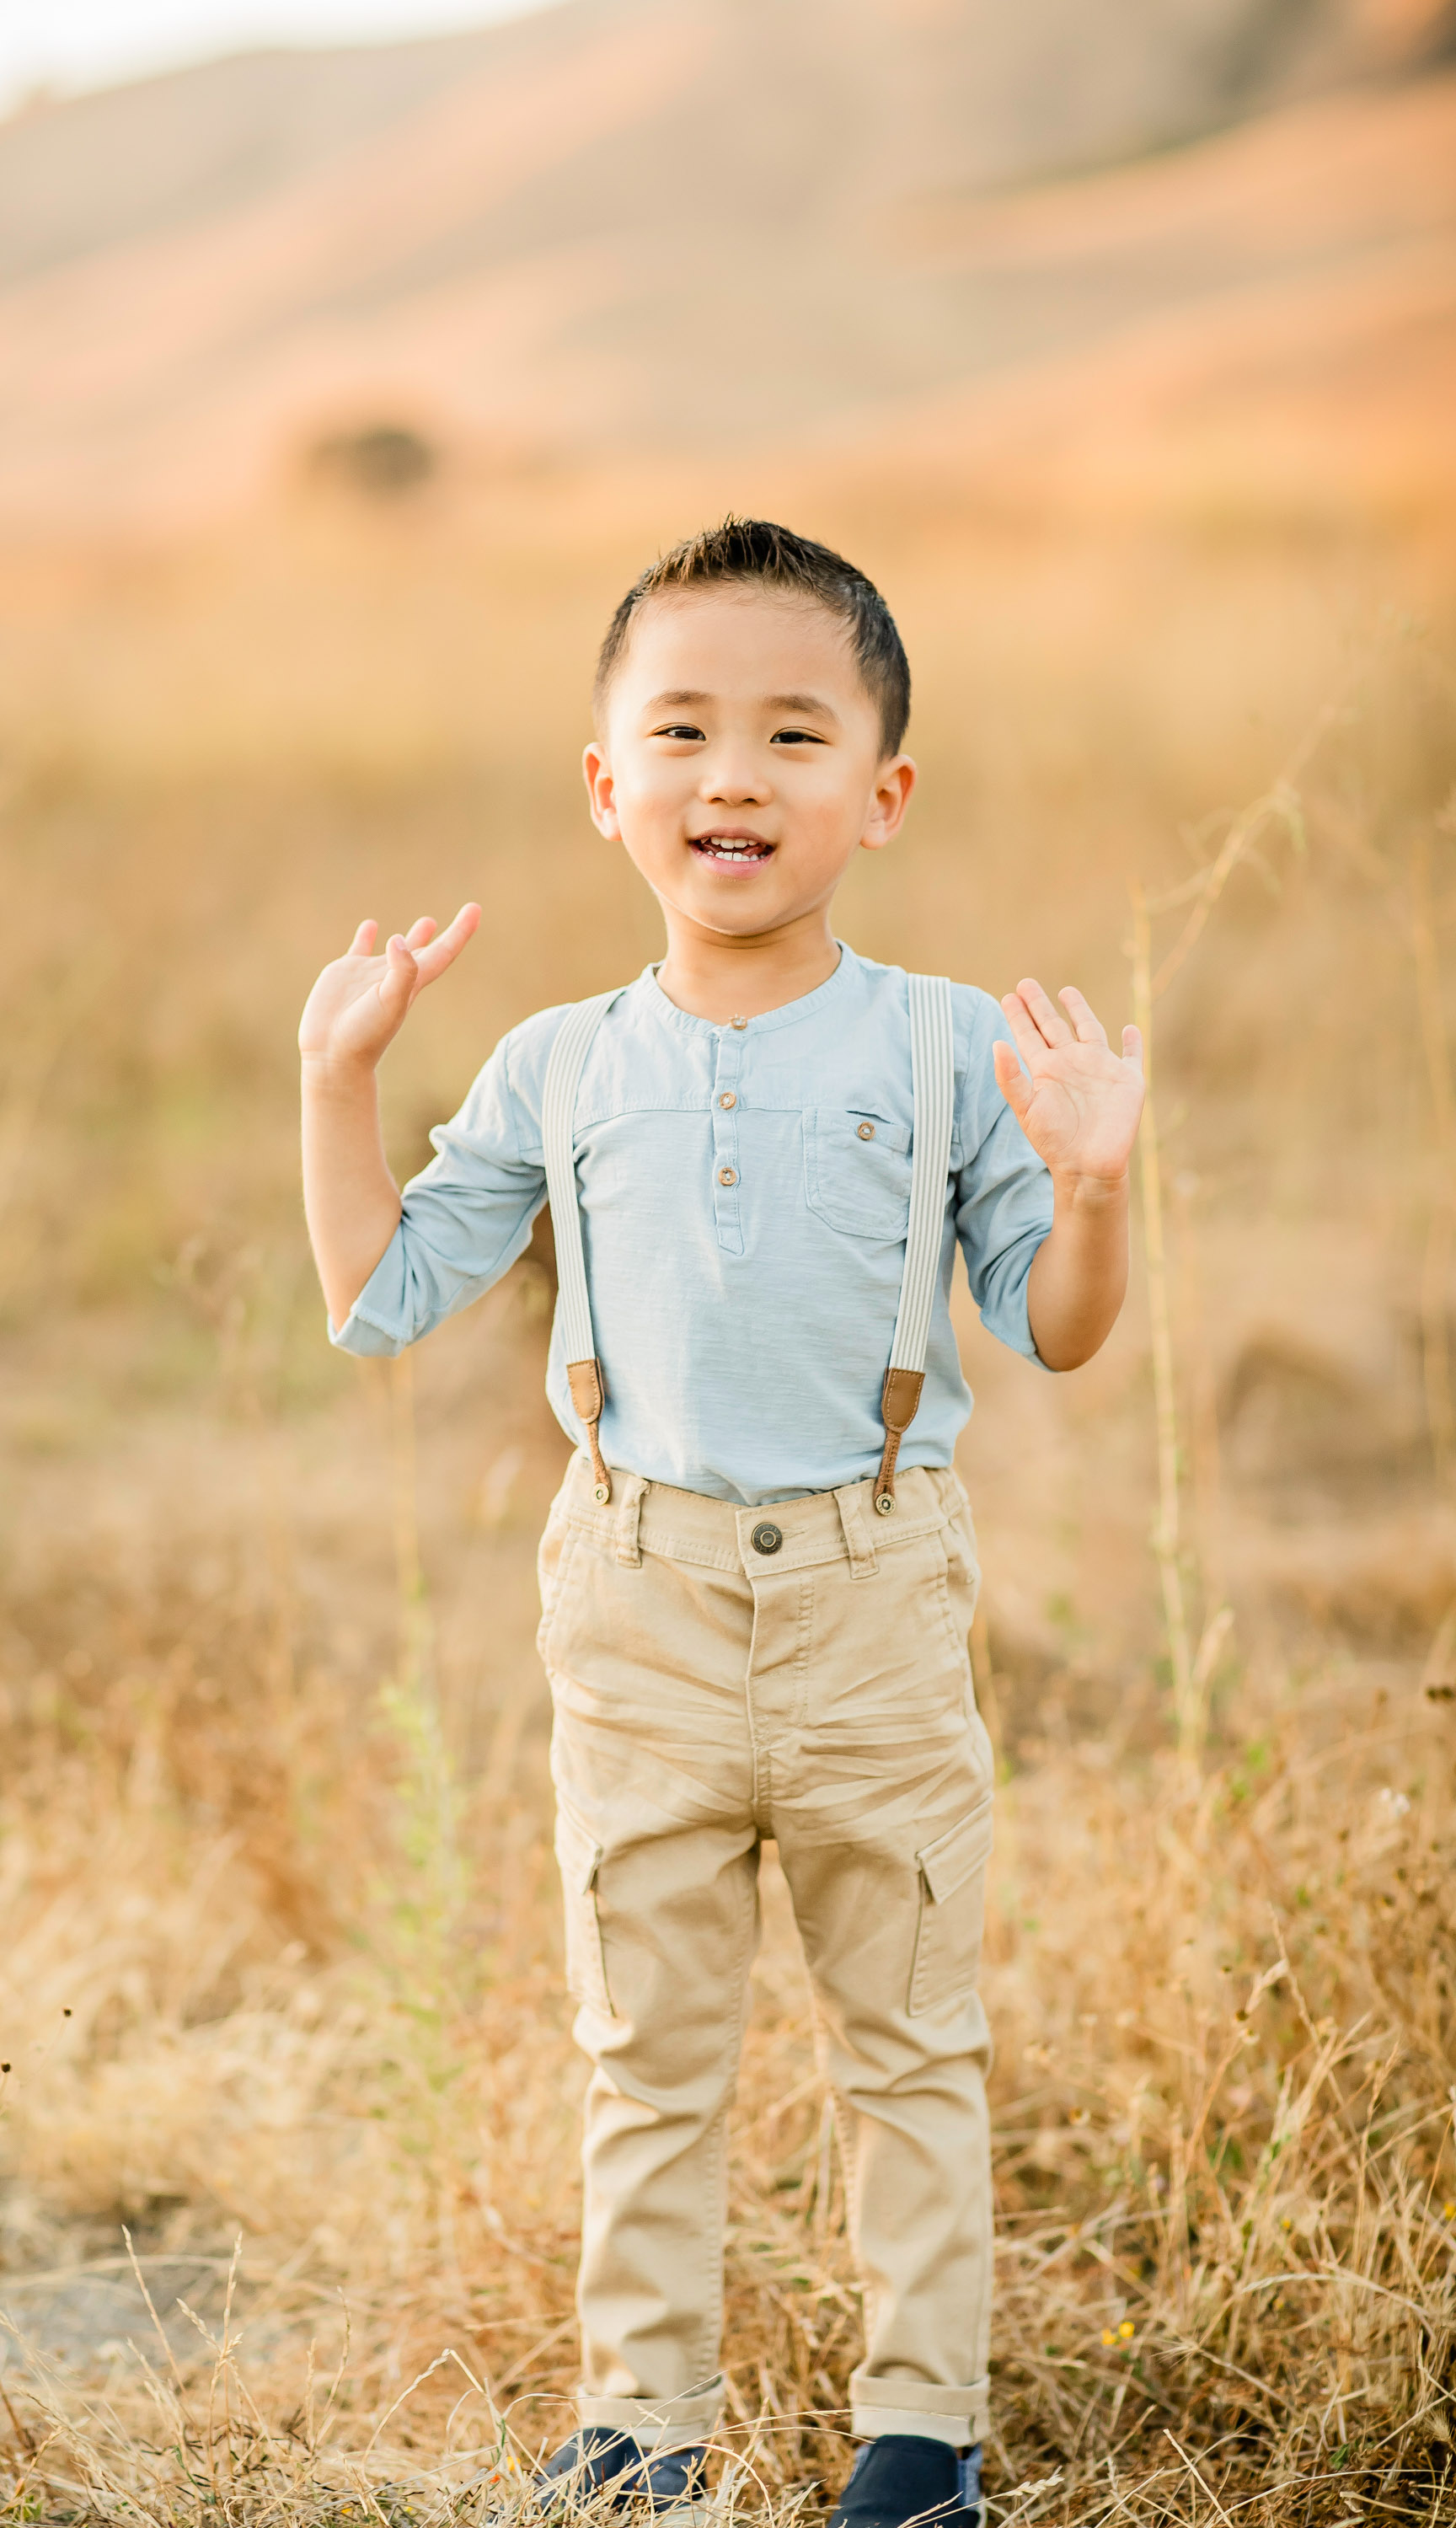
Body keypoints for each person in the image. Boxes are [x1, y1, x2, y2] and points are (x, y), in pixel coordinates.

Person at [298, 520, 1144, 2528]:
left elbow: (1055, 1329)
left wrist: (1094, 1187)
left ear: (883, 792)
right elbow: (379, 1300)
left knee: (908, 2042)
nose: (731, 777)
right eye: (677, 732)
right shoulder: (558, 1061)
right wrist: (337, 1081)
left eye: (791, 731)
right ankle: (637, 2426)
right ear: (607, 791)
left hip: (874, 1600)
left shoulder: (948, 1044)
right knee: (645, 2049)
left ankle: (919, 2440)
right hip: (639, 1600)